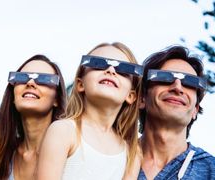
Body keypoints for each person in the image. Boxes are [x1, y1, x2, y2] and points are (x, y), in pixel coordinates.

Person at [37, 42, 143, 180]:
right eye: (98, 64)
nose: (111, 70)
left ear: (131, 96)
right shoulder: (63, 131)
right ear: (80, 84)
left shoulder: (132, 154)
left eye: (123, 69)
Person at [138, 45, 215, 179]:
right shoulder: (110, 157)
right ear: (142, 99)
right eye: (165, 78)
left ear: (195, 110)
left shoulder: (211, 171)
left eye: (190, 82)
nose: (178, 87)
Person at [0, 55, 67, 180]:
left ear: (56, 99)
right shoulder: (0, 156)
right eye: (22, 77)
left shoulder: (70, 154)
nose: (30, 83)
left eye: (44, 79)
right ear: (13, 95)